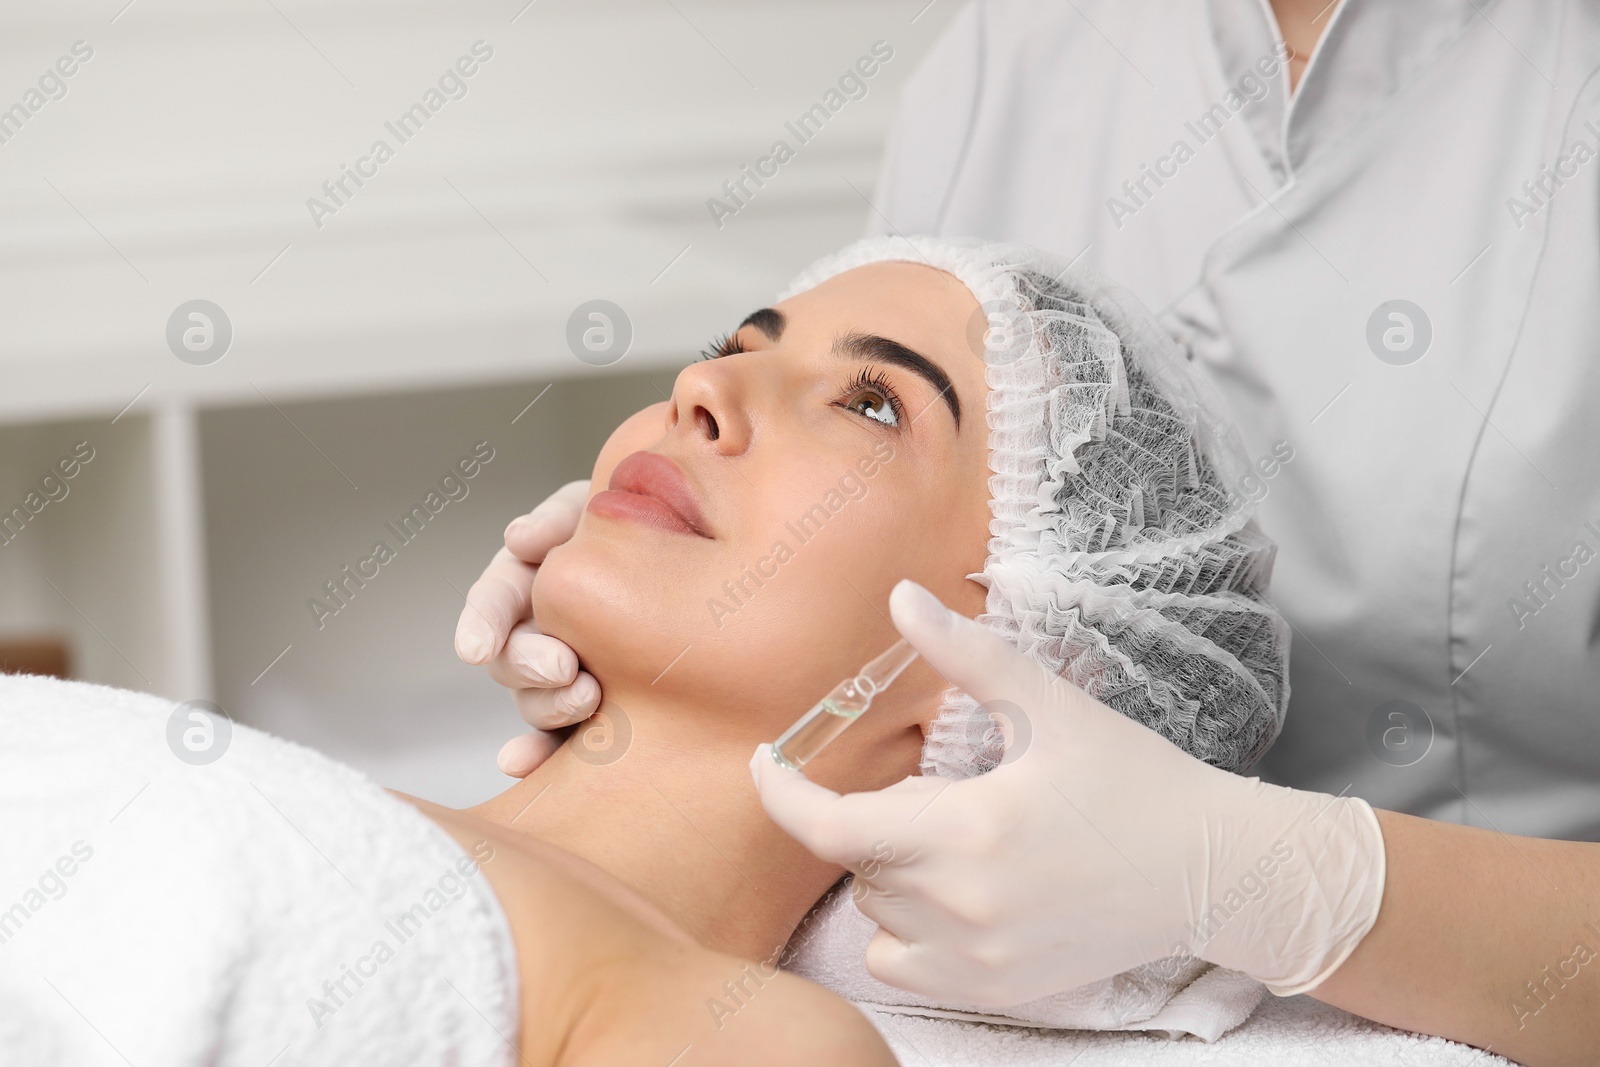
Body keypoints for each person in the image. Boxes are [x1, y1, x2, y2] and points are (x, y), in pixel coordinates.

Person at [456, 2, 1600, 1064]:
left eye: (869, 404)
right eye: (737, 344)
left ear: (1003, 681)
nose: (702, 382)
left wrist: (1270, 876)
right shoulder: (1016, 48)